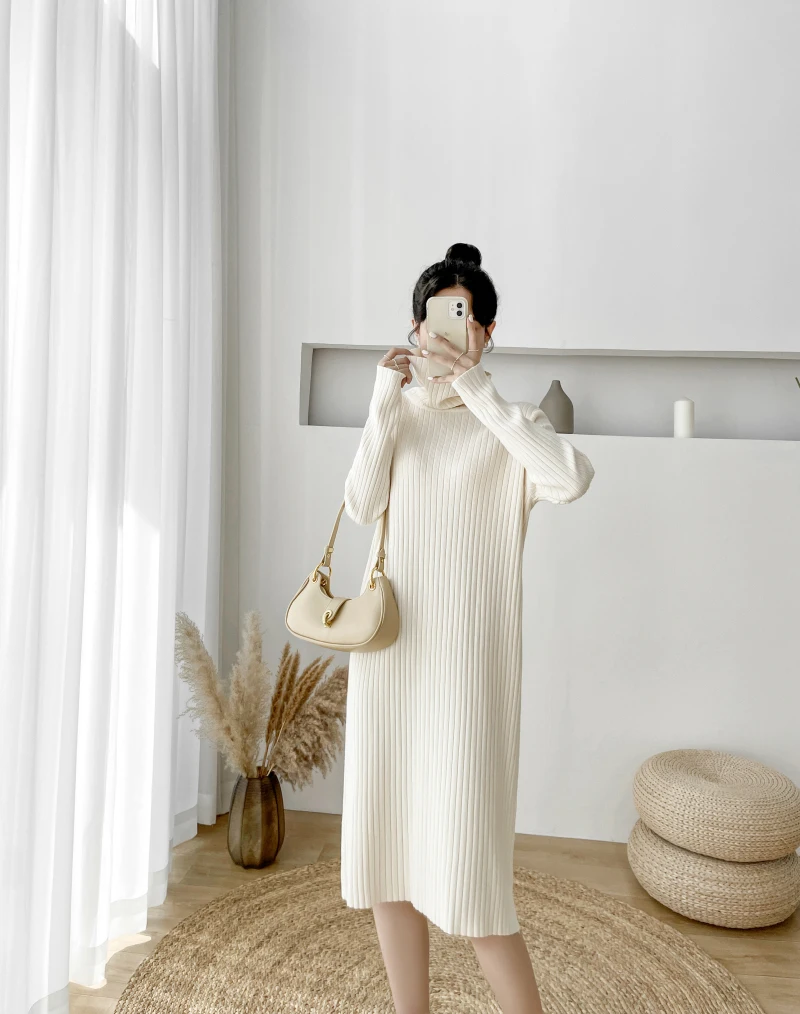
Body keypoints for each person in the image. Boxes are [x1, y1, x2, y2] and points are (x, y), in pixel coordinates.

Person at [340, 242, 595, 1014]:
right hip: (391, 660)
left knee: (475, 881)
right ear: (416, 328)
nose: (450, 332)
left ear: (487, 333)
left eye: (466, 319)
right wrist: (385, 396)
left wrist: (475, 390)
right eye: (437, 319)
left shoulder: (511, 426)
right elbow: (361, 505)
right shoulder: (398, 413)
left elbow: (568, 479)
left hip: (467, 675)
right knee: (387, 856)